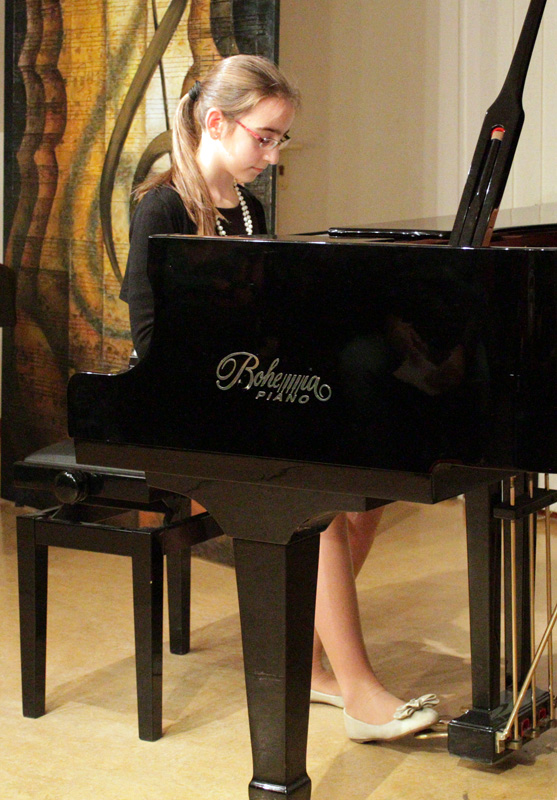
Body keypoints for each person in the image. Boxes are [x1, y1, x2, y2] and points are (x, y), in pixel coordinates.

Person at [120, 53, 439, 742]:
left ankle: (311, 663)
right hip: (178, 410)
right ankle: (359, 693)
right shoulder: (161, 207)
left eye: (278, 140)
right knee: (316, 503)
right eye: (263, 137)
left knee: (363, 498)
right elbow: (151, 341)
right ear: (215, 122)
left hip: (238, 395)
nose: (271, 155)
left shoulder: (246, 207)